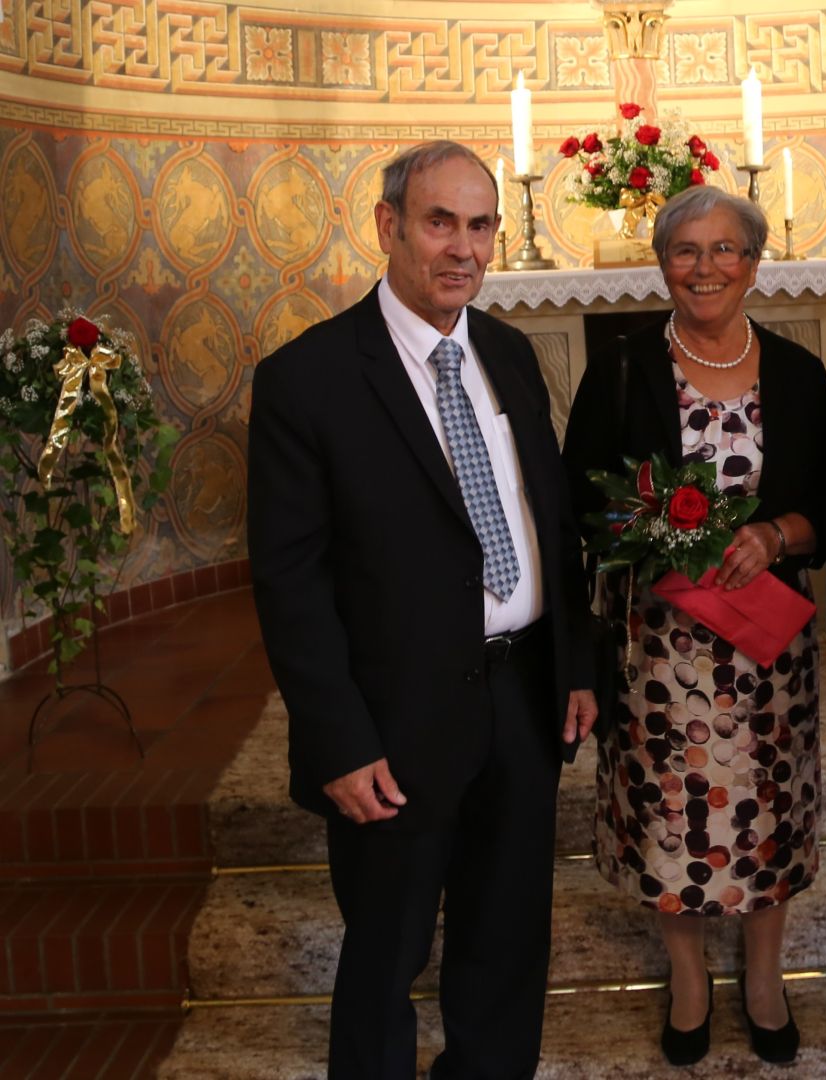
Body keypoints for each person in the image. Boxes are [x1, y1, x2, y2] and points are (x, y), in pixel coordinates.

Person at [247, 140, 597, 1079]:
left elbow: (550, 525)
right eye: (440, 222)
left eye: (480, 226)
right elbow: (292, 585)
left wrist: (573, 669)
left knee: (505, 944)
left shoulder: (512, 354)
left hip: (521, 700)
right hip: (393, 724)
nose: (463, 248)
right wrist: (337, 740)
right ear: (388, 227)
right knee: (385, 956)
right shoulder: (307, 380)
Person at [562, 187, 826, 1067]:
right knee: (666, 815)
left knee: (768, 813)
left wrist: (774, 534)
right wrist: (650, 534)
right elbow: (578, 500)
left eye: (725, 250)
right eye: (686, 250)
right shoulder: (621, 369)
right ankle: (686, 978)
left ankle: (762, 976)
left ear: (754, 263)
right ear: (662, 262)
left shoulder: (797, 372)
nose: (705, 267)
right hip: (658, 649)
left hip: (767, 650)